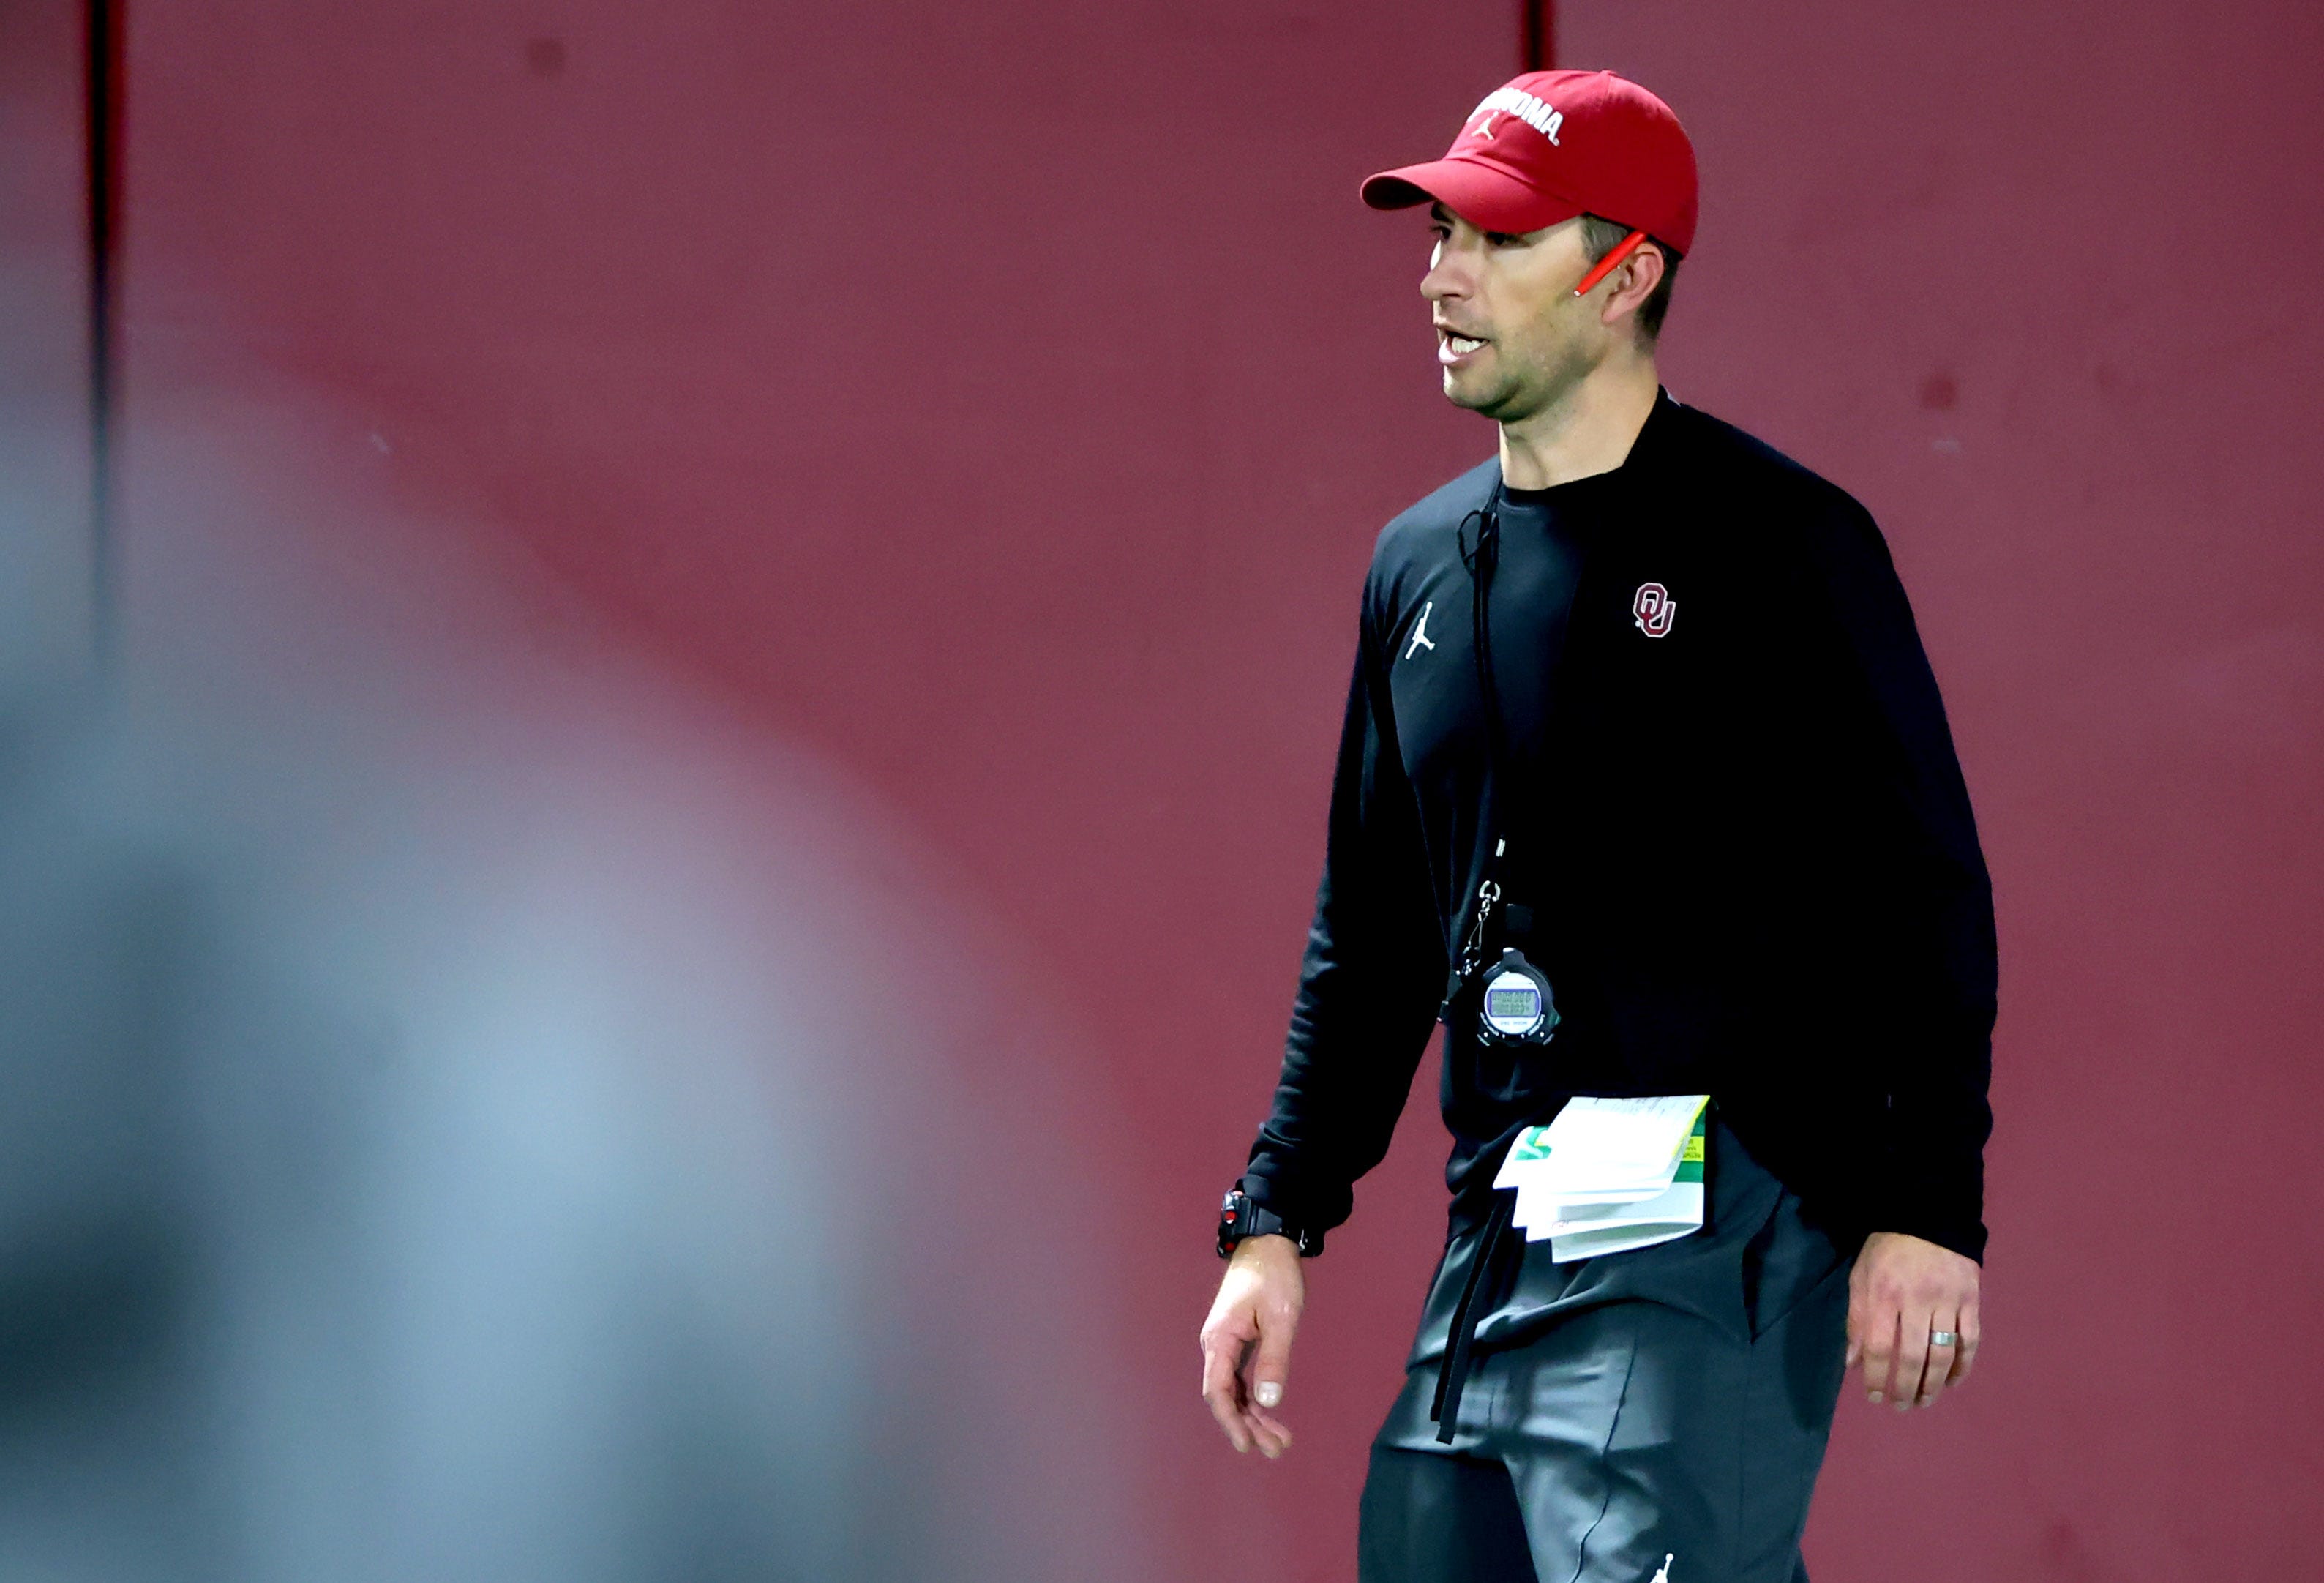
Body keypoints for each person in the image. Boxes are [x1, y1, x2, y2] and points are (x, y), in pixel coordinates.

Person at [1197, 69, 1996, 1583]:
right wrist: (1272, 1226)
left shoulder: (1785, 547)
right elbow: (1367, 934)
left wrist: (1924, 1209)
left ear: (1624, 273)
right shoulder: (1415, 567)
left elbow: (1924, 896)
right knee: (1425, 1550)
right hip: (1495, 1228)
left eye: (1495, 238)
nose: (1441, 275)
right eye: (1437, 233)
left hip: (1724, 1216)